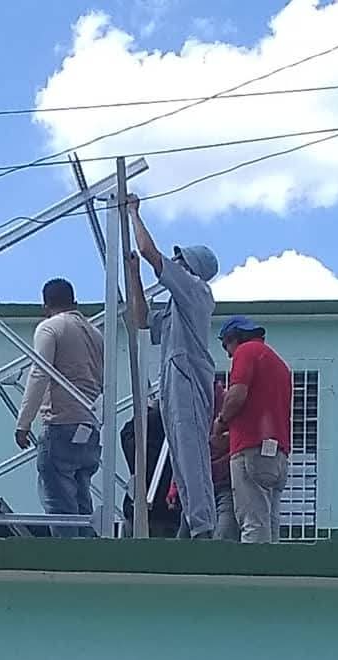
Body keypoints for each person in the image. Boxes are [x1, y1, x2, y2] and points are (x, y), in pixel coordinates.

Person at [127, 194, 219, 539]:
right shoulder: (176, 309)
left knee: (190, 450)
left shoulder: (196, 291)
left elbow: (150, 253)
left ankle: (202, 525)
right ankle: (191, 522)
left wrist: (134, 214)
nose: (175, 263)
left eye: (180, 260)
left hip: (187, 378)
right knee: (180, 451)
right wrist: (134, 276)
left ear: (190, 268)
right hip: (172, 379)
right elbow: (141, 320)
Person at [15, 278, 104, 538]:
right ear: (75, 302)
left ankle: (69, 558)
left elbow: (39, 373)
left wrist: (23, 422)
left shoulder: (50, 328)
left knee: (59, 505)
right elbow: (103, 380)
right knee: (81, 501)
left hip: (61, 423)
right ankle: (90, 556)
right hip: (88, 426)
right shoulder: (96, 334)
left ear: (45, 306)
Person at [214, 317, 292, 543]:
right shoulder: (279, 364)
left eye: (226, 346)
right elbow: (262, 410)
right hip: (277, 455)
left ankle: (255, 566)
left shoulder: (246, 352)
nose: (229, 355)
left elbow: (237, 395)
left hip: (252, 452)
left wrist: (221, 422)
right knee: (270, 523)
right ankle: (272, 566)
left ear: (234, 338)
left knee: (253, 522)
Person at [170, 379, 239, 540]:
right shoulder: (196, 406)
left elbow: (184, 450)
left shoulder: (192, 407)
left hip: (210, 483)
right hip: (211, 481)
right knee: (223, 534)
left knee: (214, 534)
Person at [120, 399, 180, 539]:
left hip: (138, 510)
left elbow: (125, 433)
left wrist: (146, 410)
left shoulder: (137, 449)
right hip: (170, 512)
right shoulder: (177, 442)